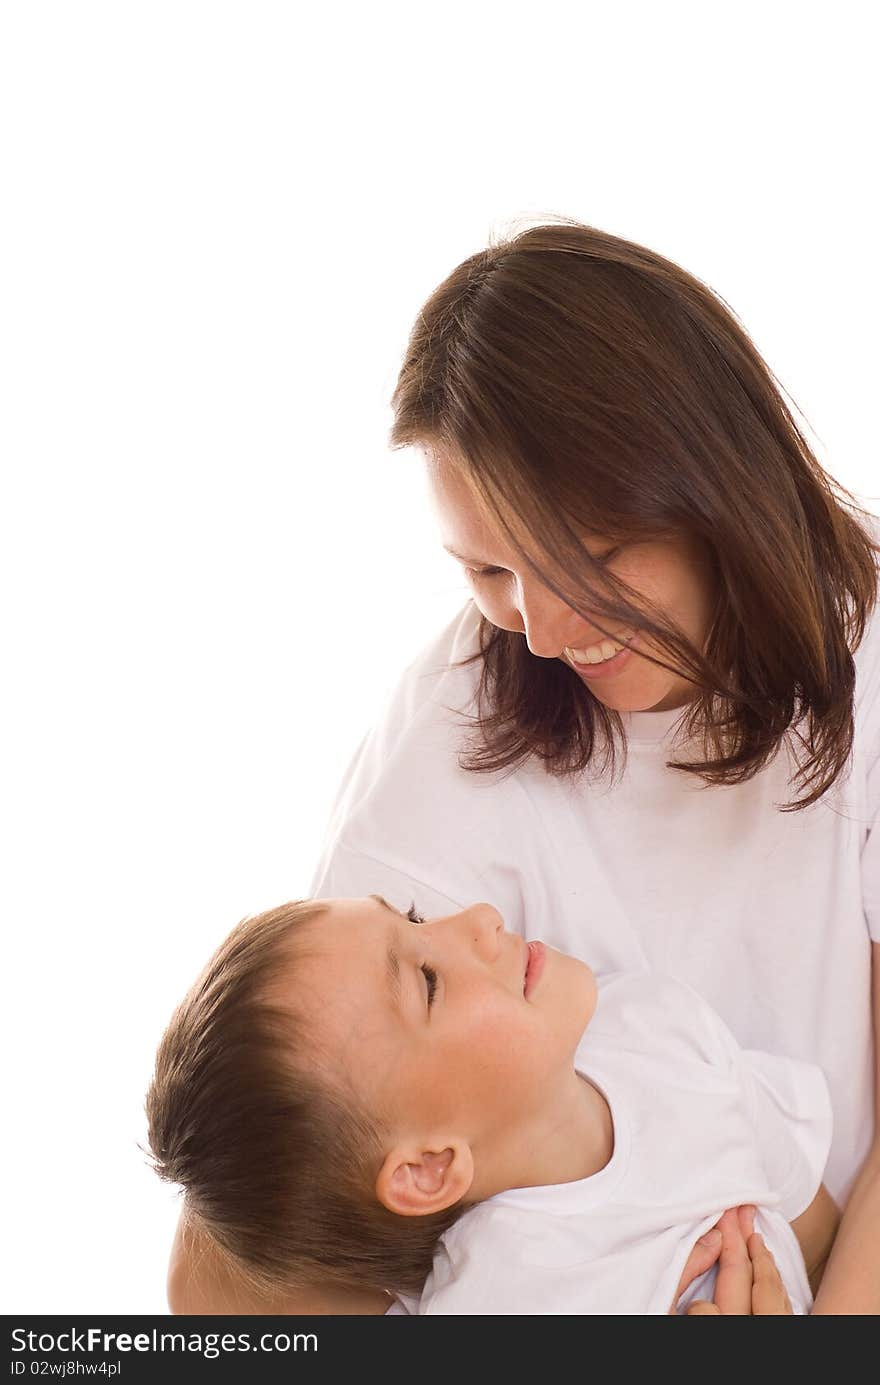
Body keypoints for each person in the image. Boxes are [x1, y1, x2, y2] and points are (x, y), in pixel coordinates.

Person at [167, 218, 880, 1314]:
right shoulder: (454, 731)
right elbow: (249, 1248)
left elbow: (802, 1175)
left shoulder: (665, 1047)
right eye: (489, 568)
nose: (542, 628)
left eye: (592, 560)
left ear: (715, 489)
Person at [147, 895, 842, 1315]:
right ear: (427, 1167)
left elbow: (816, 1230)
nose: (477, 919)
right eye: (428, 979)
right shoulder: (502, 1298)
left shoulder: (660, 1027)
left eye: (416, 917)